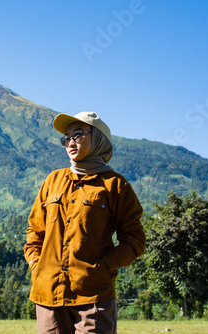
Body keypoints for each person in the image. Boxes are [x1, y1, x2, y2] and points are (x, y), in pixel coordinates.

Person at [24, 111, 146, 334]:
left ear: (98, 138)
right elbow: (34, 232)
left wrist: (103, 268)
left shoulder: (115, 185)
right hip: (48, 295)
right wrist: (36, 265)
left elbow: (135, 240)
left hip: (94, 298)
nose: (70, 141)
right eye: (66, 137)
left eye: (78, 135)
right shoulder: (53, 180)